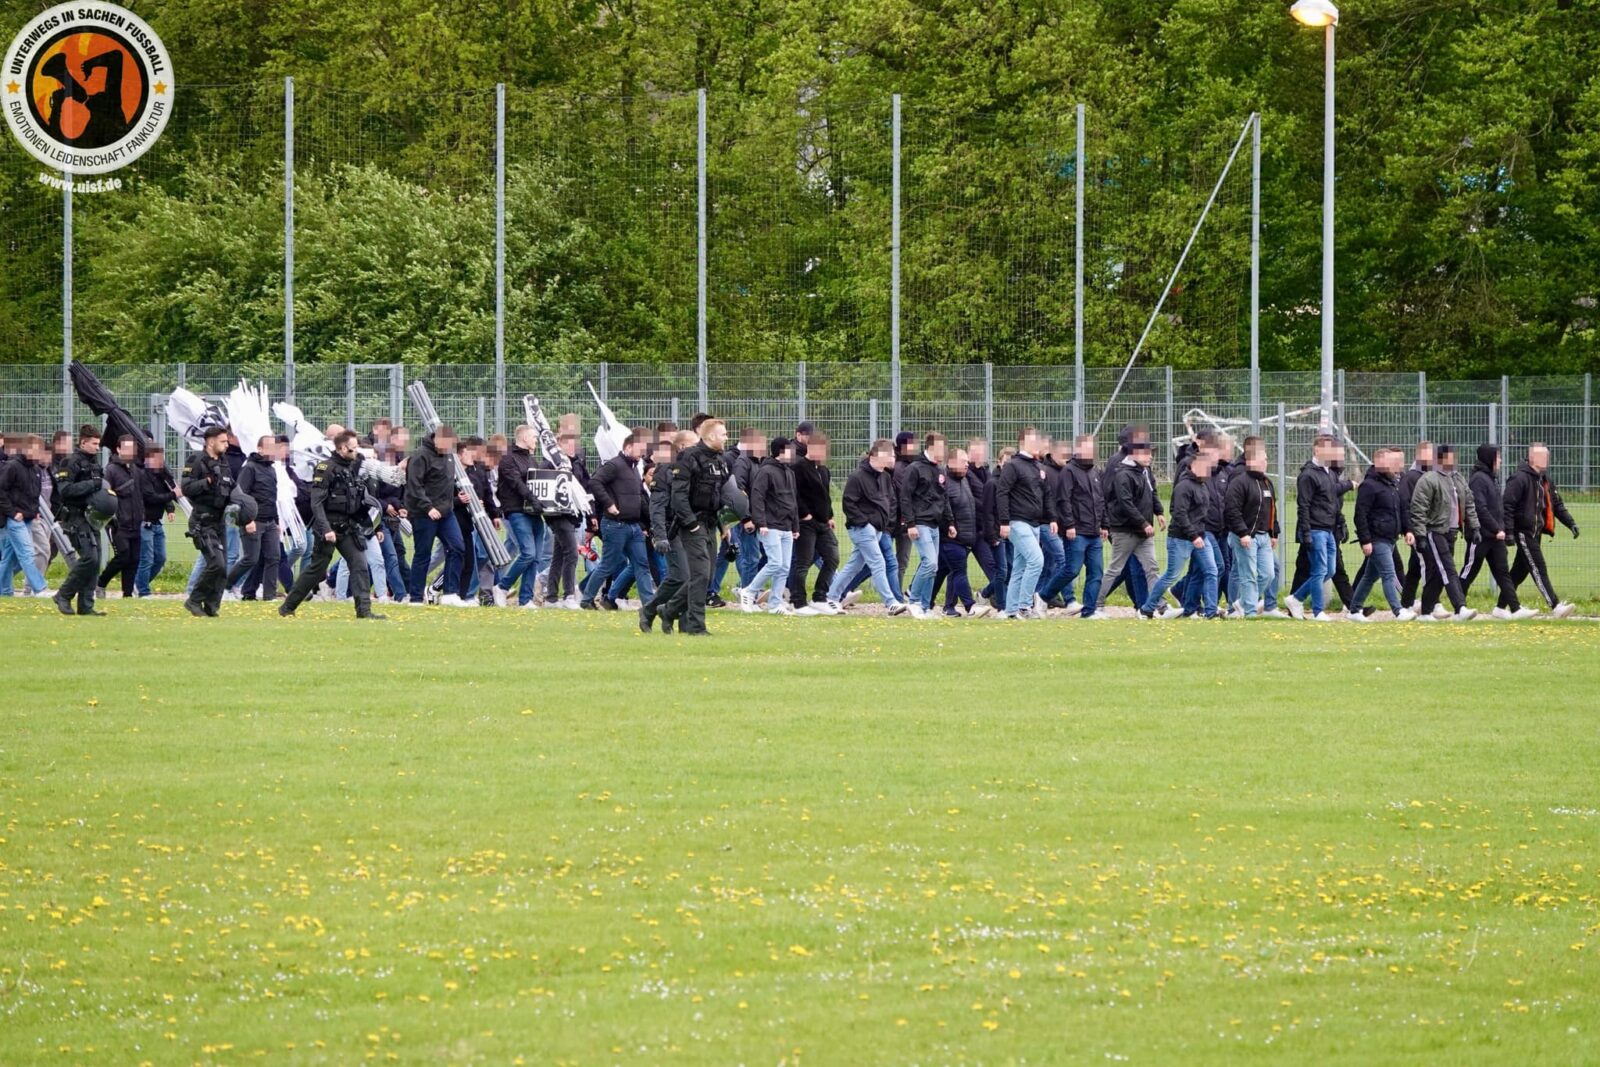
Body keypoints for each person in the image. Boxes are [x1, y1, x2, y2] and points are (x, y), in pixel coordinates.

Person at [279, 430, 386, 620]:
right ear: (342, 448)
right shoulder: (325, 468)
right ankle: (288, 607)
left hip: (349, 526)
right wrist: (326, 529)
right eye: (353, 449)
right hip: (328, 527)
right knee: (317, 569)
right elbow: (317, 502)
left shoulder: (353, 468)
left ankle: (364, 611)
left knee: (359, 564)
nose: (356, 452)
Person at [668, 419, 737, 635]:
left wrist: (724, 523)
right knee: (699, 574)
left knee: (706, 575)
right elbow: (678, 496)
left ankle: (667, 610)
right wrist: (691, 524)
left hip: (710, 522)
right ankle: (696, 626)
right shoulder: (689, 457)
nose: (726, 438)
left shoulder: (721, 461)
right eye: (723, 434)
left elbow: (720, 495)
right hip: (692, 523)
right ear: (711, 437)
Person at [825, 440, 908, 616]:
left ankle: (831, 598)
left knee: (853, 566)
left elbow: (891, 501)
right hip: (862, 529)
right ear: (879, 455)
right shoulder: (857, 477)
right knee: (879, 563)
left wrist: (885, 524)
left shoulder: (885, 477)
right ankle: (890, 602)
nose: (894, 458)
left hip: (879, 530)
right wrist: (865, 523)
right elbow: (849, 503)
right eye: (891, 454)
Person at [1140, 442, 1220, 619]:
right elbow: (1179, 514)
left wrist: (1200, 534)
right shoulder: (1184, 486)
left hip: (1200, 536)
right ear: (1193, 466)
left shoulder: (1203, 485)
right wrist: (1193, 536)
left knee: (1212, 571)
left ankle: (1211, 611)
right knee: (1171, 575)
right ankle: (1147, 608)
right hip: (1181, 538)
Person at [1502, 442, 1579, 618]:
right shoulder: (1519, 478)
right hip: (1523, 532)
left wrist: (1570, 523)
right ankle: (1555, 605)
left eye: (1547, 455)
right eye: (1542, 456)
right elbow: (1507, 506)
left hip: (1536, 533)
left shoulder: (1544, 480)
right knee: (1538, 566)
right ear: (1532, 458)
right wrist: (1508, 532)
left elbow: (1557, 505)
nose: (1546, 459)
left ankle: (1500, 607)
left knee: (1519, 571)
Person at [583, 433, 655, 610]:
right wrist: (608, 504)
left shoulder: (634, 469)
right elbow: (595, 482)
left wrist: (648, 522)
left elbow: (641, 499)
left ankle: (649, 604)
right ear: (629, 447)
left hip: (634, 526)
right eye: (640, 449)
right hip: (615, 525)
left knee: (641, 564)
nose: (642, 454)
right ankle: (587, 598)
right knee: (608, 564)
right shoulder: (614, 465)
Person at [1345, 447, 1418, 621]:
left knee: (1369, 577)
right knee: (1388, 573)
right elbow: (1360, 514)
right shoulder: (1369, 485)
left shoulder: (1392, 484)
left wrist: (1407, 529)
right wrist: (1366, 540)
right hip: (1377, 539)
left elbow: (1401, 509)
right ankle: (1398, 611)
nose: (1394, 465)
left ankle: (1354, 611)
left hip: (1390, 538)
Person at [1408, 443, 1479, 622]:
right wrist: (1421, 535)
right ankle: (1460, 608)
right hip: (1435, 531)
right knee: (1448, 568)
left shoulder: (1458, 478)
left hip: (1451, 532)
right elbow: (1418, 509)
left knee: (1438, 573)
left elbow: (1469, 502)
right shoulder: (1429, 479)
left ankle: (1425, 612)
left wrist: (1475, 526)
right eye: (1449, 456)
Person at [1461, 444, 1532, 620]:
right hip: (1480, 536)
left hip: (1495, 537)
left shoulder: (1491, 478)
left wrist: (1502, 530)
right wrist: (1495, 528)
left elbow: (1496, 508)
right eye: (1497, 457)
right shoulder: (1478, 479)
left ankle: (1513, 608)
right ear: (1489, 458)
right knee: (1469, 572)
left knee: (1502, 572)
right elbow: (1480, 508)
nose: (1500, 460)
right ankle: (1458, 606)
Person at [1286, 436, 1350, 621]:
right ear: (1317, 450)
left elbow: (1333, 502)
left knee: (1329, 570)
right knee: (1319, 570)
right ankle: (1317, 611)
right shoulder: (1307, 475)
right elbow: (1303, 505)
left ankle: (1296, 598)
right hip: (1315, 530)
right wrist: (1306, 532)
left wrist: (1340, 524)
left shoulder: (1329, 473)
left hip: (1329, 530)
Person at [1096, 433, 1160, 616]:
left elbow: (1151, 494)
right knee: (1115, 569)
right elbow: (1126, 503)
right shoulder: (1123, 474)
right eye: (1146, 453)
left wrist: (1158, 513)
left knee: (1152, 568)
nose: (1150, 456)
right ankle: (1095, 604)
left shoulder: (1144, 472)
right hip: (1125, 531)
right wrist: (1143, 523)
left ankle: (1159, 605)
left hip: (1142, 532)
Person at [405, 424, 467, 607]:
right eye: (447, 445)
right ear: (438, 439)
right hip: (425, 513)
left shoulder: (448, 456)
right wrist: (428, 507)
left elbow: (448, 484)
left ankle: (450, 593)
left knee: (457, 547)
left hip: (446, 512)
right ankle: (415, 597)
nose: (449, 449)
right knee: (423, 554)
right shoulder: (420, 456)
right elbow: (414, 486)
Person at [996, 427, 1055, 620]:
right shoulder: (1013, 466)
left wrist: (1052, 518)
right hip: (1017, 522)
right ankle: (1024, 606)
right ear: (1023, 442)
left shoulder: (1039, 468)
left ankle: (1011, 611)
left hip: (1035, 524)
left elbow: (1046, 496)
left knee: (1020, 567)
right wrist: (1004, 522)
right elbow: (1002, 493)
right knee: (1037, 560)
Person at [181, 425, 240, 618]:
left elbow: (230, 488)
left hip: (220, 521)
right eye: (223, 441)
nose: (226, 444)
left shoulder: (223, 463)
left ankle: (212, 606)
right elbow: (186, 488)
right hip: (202, 521)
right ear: (211, 441)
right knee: (216, 563)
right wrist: (205, 482)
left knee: (223, 568)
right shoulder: (196, 461)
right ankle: (194, 600)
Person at [1222, 436, 1282, 618]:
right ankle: (1250, 613)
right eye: (1263, 459)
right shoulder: (1240, 482)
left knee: (1268, 574)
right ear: (1252, 461)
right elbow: (1232, 510)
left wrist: (1273, 532)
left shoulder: (1267, 483)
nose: (1266, 462)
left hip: (1263, 537)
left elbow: (1271, 509)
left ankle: (1242, 603)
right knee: (1247, 575)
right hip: (1245, 537)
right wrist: (1242, 533)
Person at [899, 433, 956, 619]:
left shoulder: (940, 471)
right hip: (919, 523)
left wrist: (950, 522)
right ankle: (913, 601)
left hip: (935, 524)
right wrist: (910, 523)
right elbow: (905, 497)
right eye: (942, 449)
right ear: (931, 447)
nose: (944, 453)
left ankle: (925, 607)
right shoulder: (915, 468)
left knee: (934, 567)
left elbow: (944, 497)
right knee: (929, 562)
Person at [742, 437, 800, 615]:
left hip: (786, 527)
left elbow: (793, 501)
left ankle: (775, 604)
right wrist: (761, 523)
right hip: (770, 526)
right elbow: (757, 497)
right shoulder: (765, 471)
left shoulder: (789, 472)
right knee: (775, 563)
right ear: (781, 451)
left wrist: (795, 526)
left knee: (784, 567)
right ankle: (749, 591)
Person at [52, 427, 106, 615]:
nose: (97, 447)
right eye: (94, 443)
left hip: (92, 517)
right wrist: (92, 484)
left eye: (98, 444)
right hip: (75, 517)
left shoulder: (95, 463)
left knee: (95, 560)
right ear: (83, 443)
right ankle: (63, 595)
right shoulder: (70, 462)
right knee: (89, 558)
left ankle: (86, 606)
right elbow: (65, 490)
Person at [493, 424, 545, 609]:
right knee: (528, 553)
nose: (536, 440)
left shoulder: (532, 460)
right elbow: (517, 484)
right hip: (516, 511)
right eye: (534, 437)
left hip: (534, 513)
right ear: (523, 438)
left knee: (536, 557)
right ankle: (502, 586)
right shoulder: (508, 459)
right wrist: (533, 499)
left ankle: (525, 599)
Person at [934, 448, 990, 617]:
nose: (967, 464)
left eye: (967, 461)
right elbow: (942, 508)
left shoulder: (964, 481)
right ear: (951, 462)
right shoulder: (944, 482)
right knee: (959, 571)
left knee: (943, 572)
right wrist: (949, 527)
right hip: (951, 538)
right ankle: (970, 606)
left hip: (965, 537)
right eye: (963, 461)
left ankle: (930, 603)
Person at [788, 431, 838, 613]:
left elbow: (825, 496)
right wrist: (804, 514)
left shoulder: (824, 470)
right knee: (803, 561)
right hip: (806, 523)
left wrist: (830, 516)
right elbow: (795, 494)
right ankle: (798, 601)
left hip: (823, 523)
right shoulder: (798, 467)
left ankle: (820, 597)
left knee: (832, 558)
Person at [228, 435, 283, 600]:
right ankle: (224, 587)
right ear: (260, 449)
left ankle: (269, 596)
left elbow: (272, 497)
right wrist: (247, 520)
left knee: (274, 557)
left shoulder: (272, 469)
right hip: (253, 521)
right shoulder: (250, 468)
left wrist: (277, 522)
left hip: (270, 521)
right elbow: (240, 496)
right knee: (250, 559)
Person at [1057, 434, 1103, 619]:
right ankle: (1043, 596)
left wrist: (1104, 524)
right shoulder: (1068, 471)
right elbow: (1064, 500)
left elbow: (1100, 500)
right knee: (1072, 570)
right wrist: (1069, 525)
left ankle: (1089, 610)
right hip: (1077, 530)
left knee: (1096, 572)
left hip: (1094, 532)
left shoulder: (1095, 472)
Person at [540, 432, 587, 608]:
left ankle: (551, 597)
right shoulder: (550, 463)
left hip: (572, 515)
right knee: (572, 554)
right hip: (558, 515)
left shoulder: (576, 463)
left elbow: (585, 485)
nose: (571, 447)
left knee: (559, 556)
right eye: (567, 443)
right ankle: (568, 595)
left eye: (573, 443)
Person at [0, 435, 49, 597]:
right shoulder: (12, 467)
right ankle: (39, 588)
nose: (40, 453)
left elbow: (34, 495)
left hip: (28, 518)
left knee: (9, 558)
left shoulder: (35, 470)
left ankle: (4, 591)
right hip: (14, 519)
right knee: (27, 552)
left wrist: (34, 512)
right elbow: (1, 491)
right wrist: (12, 513)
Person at [97, 435, 144, 600]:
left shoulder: (136, 469)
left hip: (135, 521)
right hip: (118, 523)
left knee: (134, 559)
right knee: (123, 556)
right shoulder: (111, 470)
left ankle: (127, 594)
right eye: (126, 448)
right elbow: (106, 494)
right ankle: (101, 583)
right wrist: (113, 517)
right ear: (118, 449)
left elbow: (140, 494)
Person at [974, 445, 1012, 614]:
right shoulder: (992, 483)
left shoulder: (1012, 483)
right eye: (1006, 462)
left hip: (1011, 532)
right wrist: (992, 536)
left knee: (1011, 569)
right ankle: (1002, 607)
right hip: (996, 533)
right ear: (999, 462)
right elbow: (987, 511)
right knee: (1002, 570)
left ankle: (985, 593)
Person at [135, 446, 178, 597]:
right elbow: (151, 497)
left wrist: (170, 509)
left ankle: (139, 583)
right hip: (144, 522)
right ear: (148, 459)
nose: (160, 462)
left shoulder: (161, 476)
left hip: (157, 522)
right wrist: (172, 495)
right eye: (157, 458)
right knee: (146, 559)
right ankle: (143, 591)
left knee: (160, 558)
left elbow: (165, 492)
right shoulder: (142, 476)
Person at [1398, 442, 1433, 610]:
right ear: (1419, 455)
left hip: (1431, 528)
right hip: (1419, 530)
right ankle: (1432, 604)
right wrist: (1409, 530)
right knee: (1428, 564)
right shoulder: (1410, 477)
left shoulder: (1432, 474)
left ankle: (1406, 603)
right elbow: (1405, 505)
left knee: (1415, 568)